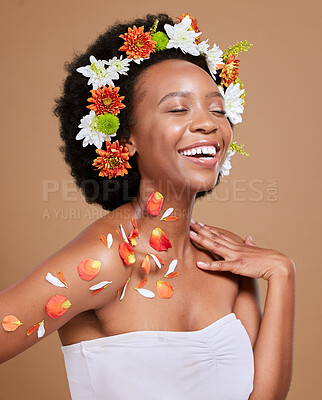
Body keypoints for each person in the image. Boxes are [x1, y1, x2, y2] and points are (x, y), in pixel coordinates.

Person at [0, 12, 295, 400]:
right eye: (178, 109)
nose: (208, 124)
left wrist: (282, 275)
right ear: (126, 139)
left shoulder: (228, 257)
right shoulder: (104, 262)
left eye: (218, 110)